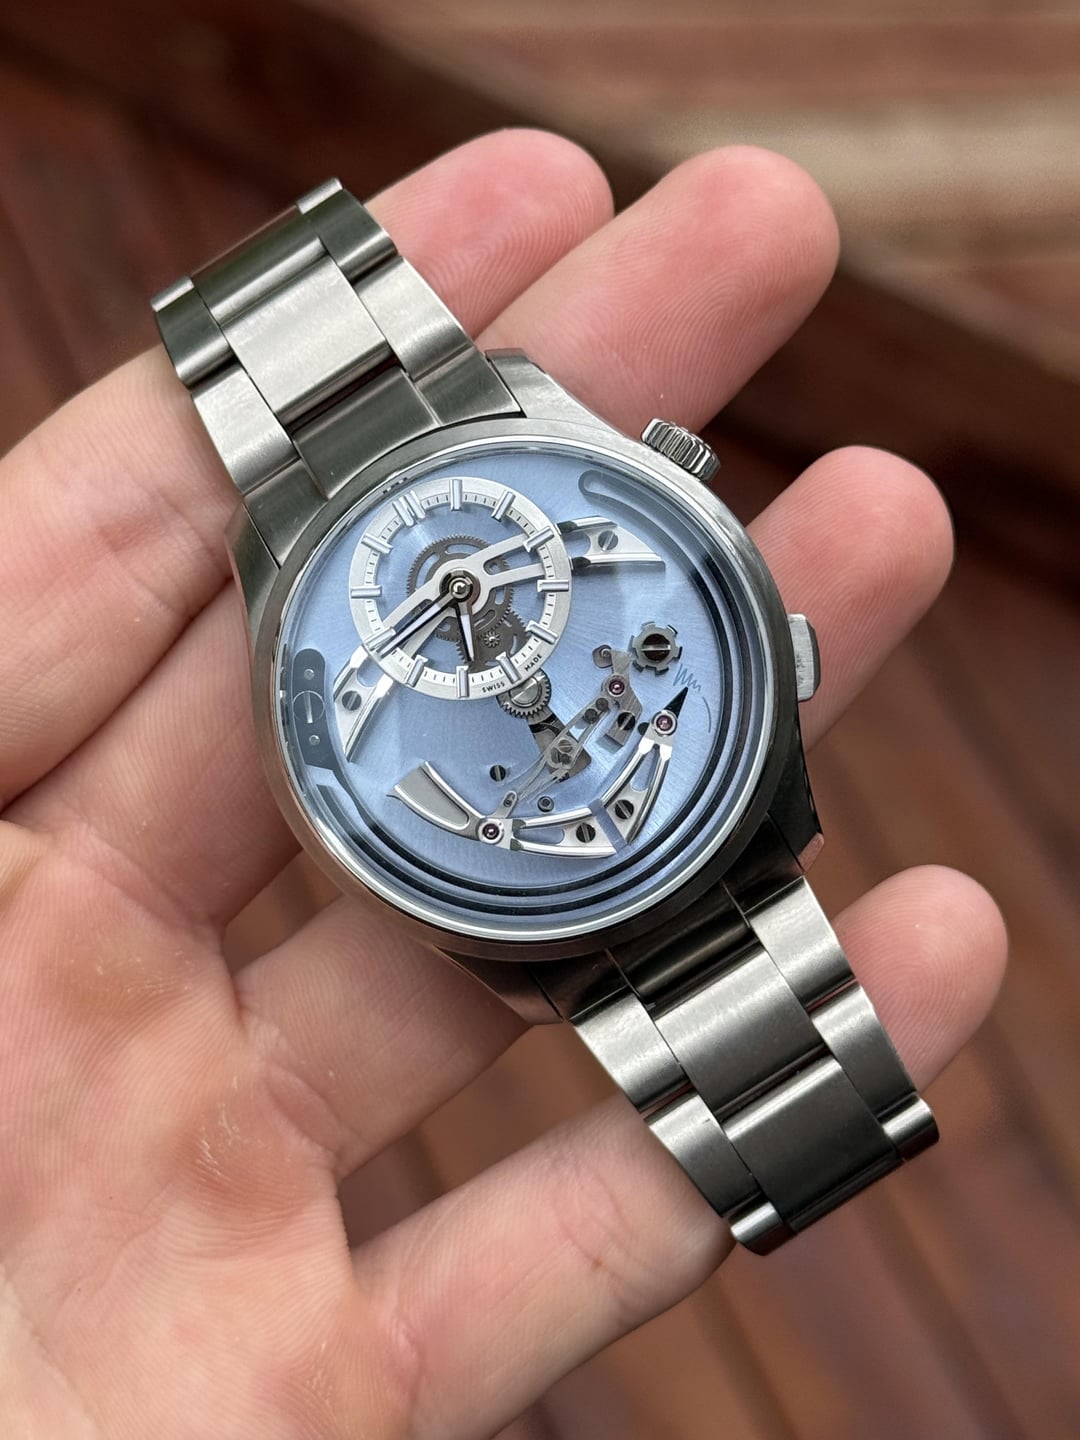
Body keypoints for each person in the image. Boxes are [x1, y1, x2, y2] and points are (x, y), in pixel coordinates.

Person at [0, 130, 1004, 1437]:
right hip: (563, 833)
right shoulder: (346, 689)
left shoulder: (580, 548)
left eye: (481, 581)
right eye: (446, 599)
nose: (469, 593)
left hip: (652, 792)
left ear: (777, 643)